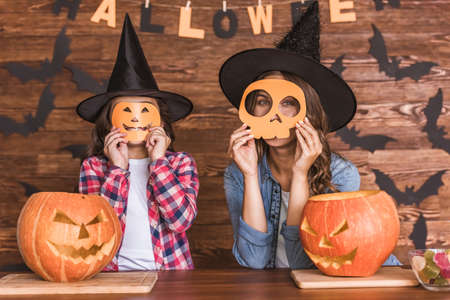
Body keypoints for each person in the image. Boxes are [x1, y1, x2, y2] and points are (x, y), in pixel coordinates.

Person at [219, 2, 400, 269]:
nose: (274, 115)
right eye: (262, 101)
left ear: (310, 112)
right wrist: (249, 175)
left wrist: (301, 174)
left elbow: (302, 262)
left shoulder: (340, 174)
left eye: (288, 103)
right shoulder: (237, 174)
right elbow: (254, 262)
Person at [76, 14, 199, 271]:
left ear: (161, 121)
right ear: (109, 122)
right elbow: (98, 229)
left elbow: (180, 222)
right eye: (126, 111)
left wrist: (159, 163)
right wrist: (118, 169)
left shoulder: (180, 163)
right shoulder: (94, 168)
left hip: (170, 273)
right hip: (113, 275)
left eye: (145, 111)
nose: (135, 118)